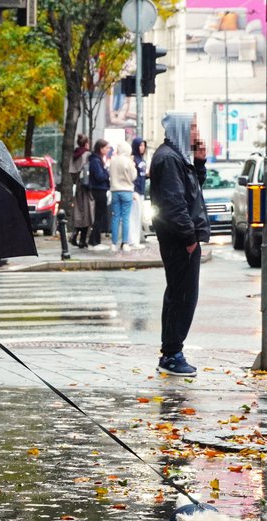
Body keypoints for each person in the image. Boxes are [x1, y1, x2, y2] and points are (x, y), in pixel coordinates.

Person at [149, 112, 210, 377]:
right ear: (182, 129)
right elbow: (174, 203)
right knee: (183, 296)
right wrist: (189, 239)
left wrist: (199, 163)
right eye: (193, 127)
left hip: (183, 238)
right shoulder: (169, 158)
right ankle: (172, 354)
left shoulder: (178, 157)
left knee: (180, 294)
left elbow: (192, 191)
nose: (197, 132)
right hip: (179, 239)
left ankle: (172, 351)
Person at [108, 141, 138, 252]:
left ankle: (113, 243)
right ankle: (125, 243)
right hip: (127, 190)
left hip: (115, 190)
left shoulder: (113, 160)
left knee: (115, 217)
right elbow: (133, 176)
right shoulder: (128, 161)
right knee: (125, 218)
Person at [86, 139, 111, 250]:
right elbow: (100, 176)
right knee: (99, 216)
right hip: (99, 190)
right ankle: (94, 242)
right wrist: (107, 173)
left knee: (99, 216)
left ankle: (95, 240)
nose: (108, 150)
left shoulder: (98, 160)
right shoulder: (96, 161)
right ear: (101, 148)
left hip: (101, 189)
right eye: (106, 147)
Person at [69, 134, 92, 248]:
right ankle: (81, 239)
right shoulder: (87, 155)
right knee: (87, 214)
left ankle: (75, 234)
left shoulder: (74, 155)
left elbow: (72, 172)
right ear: (86, 143)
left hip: (78, 185)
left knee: (79, 212)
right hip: (86, 187)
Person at [130, 137, 148, 247]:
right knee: (134, 216)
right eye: (140, 145)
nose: (143, 148)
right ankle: (133, 240)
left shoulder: (142, 160)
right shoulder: (133, 159)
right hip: (135, 191)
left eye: (143, 145)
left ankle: (136, 239)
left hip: (141, 190)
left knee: (139, 216)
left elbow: (142, 175)